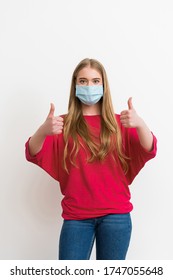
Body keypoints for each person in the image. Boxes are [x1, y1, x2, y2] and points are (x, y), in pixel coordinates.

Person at [25, 58, 157, 260]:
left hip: (116, 216)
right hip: (76, 217)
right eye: (83, 81)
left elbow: (149, 148)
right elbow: (32, 151)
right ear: (75, 85)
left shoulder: (118, 123)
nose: (89, 86)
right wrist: (43, 130)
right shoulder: (62, 125)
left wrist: (140, 124)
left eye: (95, 81)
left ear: (104, 85)